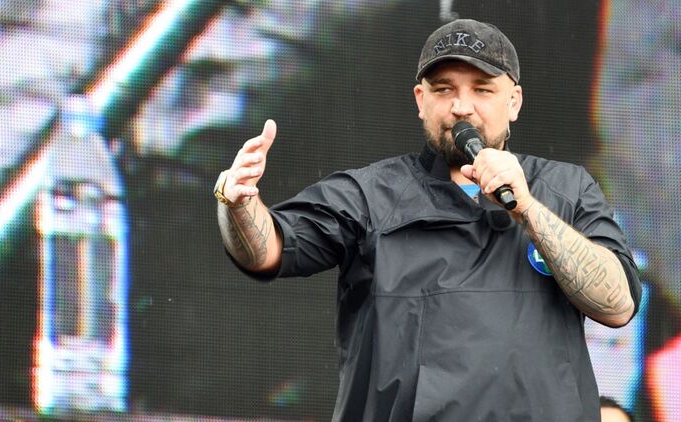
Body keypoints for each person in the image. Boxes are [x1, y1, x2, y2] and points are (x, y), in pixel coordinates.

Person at [215, 18, 642, 421]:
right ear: (421, 101)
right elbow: (269, 249)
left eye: (482, 90)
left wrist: (527, 209)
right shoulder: (368, 193)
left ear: (513, 102)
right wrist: (238, 204)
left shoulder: (567, 188)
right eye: (443, 89)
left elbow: (619, 304)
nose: (461, 107)